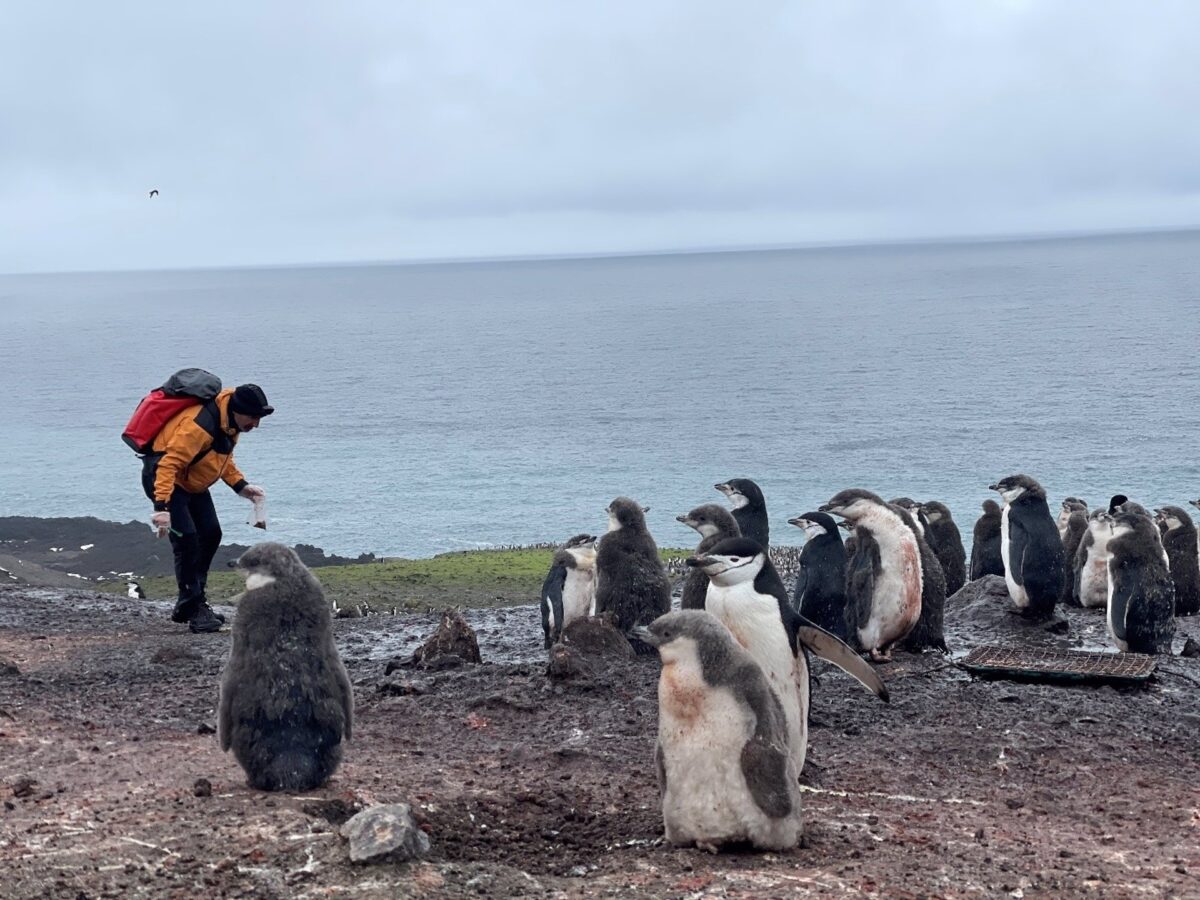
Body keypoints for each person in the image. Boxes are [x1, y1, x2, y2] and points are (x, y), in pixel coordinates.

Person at [143, 383, 273, 633]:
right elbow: (168, 464)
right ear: (239, 410)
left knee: (211, 534)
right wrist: (162, 507)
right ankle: (194, 609)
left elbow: (221, 458)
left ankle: (191, 601)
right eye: (254, 417)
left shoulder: (229, 423)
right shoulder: (199, 426)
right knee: (188, 540)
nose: (256, 424)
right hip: (167, 481)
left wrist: (242, 486)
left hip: (192, 482)